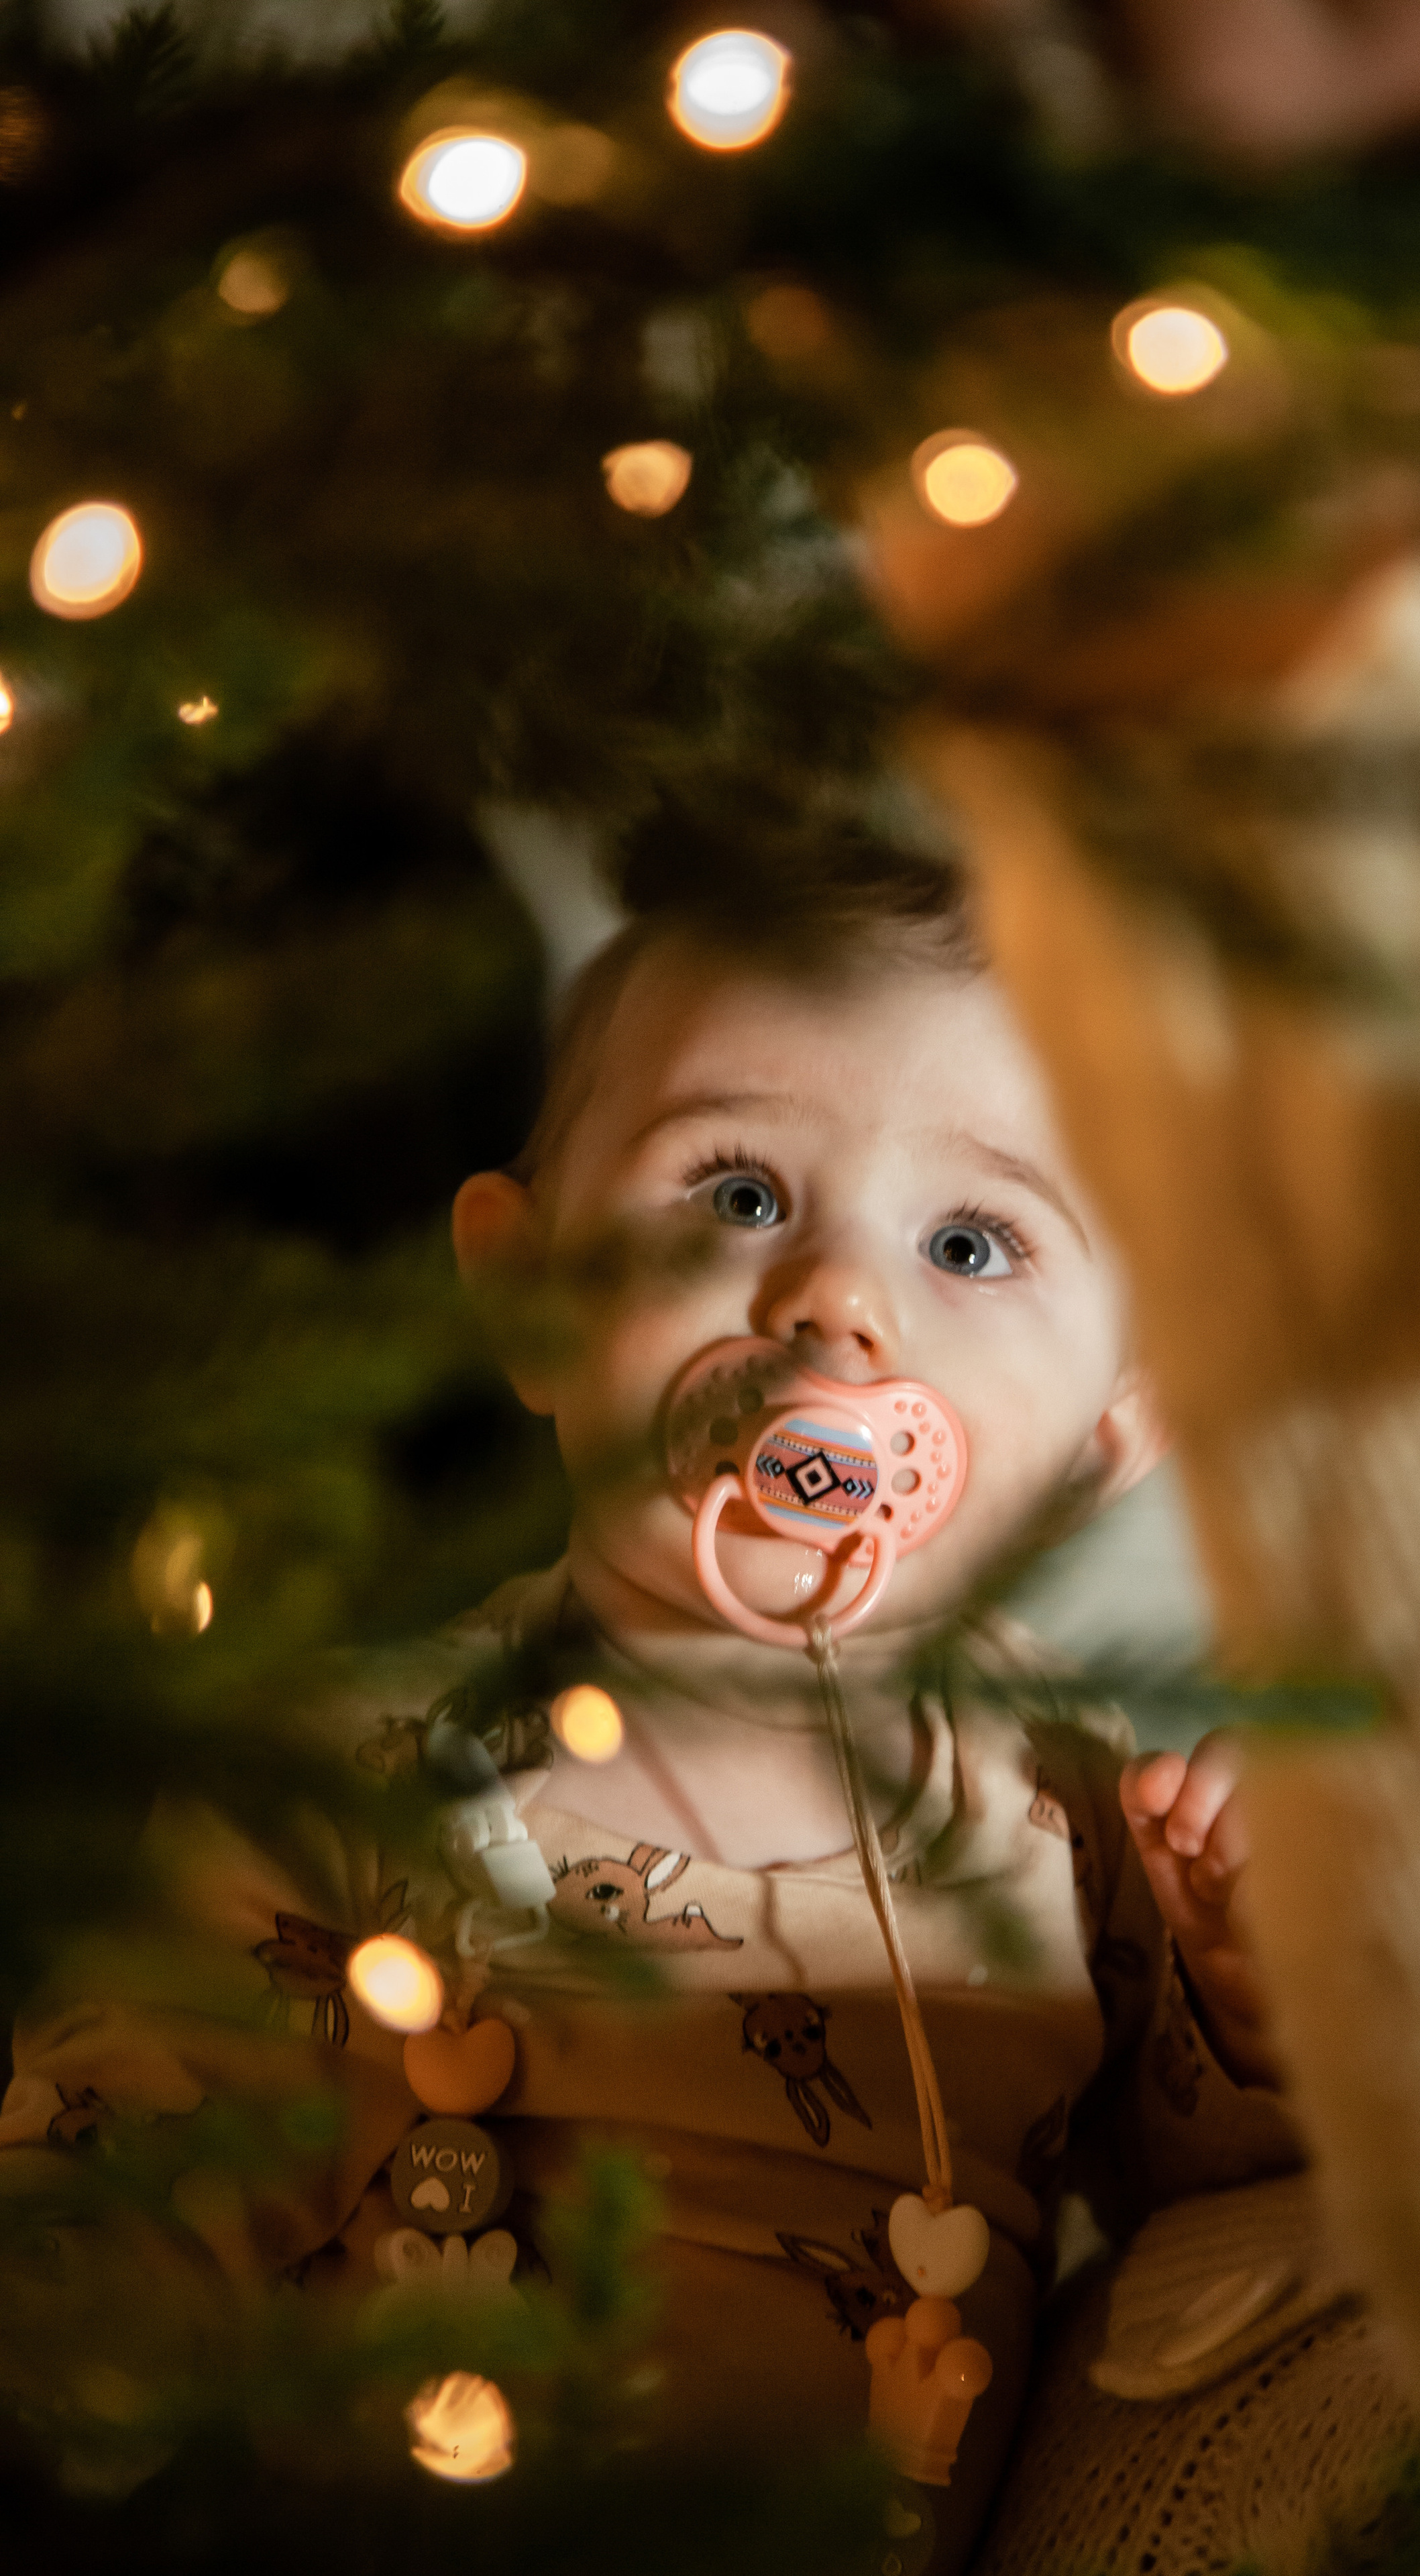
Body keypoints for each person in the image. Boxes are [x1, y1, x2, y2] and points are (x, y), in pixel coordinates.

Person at [0, 852, 1293, 2569]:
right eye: (740, 1195)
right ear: (530, 1297)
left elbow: (1191, 2208)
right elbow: (116, 2199)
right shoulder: (353, 1776)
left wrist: (1243, 1993)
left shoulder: (1068, 1804)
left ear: (1109, 1431)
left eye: (969, 1241)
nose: (835, 1299)